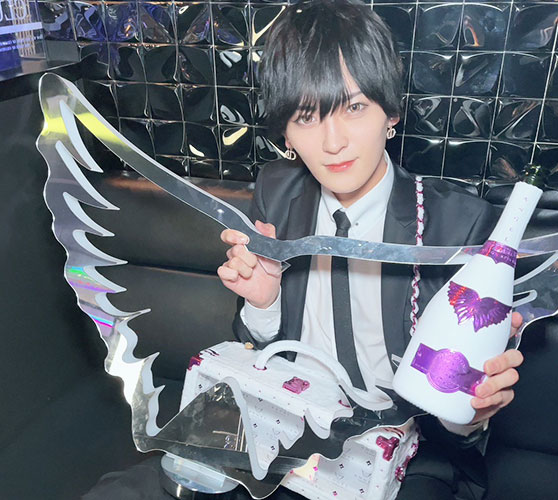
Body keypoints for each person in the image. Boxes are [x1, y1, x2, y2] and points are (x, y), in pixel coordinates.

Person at [217, 1, 524, 499]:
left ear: (391, 113)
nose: (333, 142)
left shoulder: (458, 224)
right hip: (290, 426)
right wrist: (264, 303)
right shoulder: (276, 190)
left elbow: (456, 419)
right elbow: (255, 346)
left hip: (410, 446)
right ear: (286, 133)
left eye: (354, 107)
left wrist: (472, 405)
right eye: (306, 116)